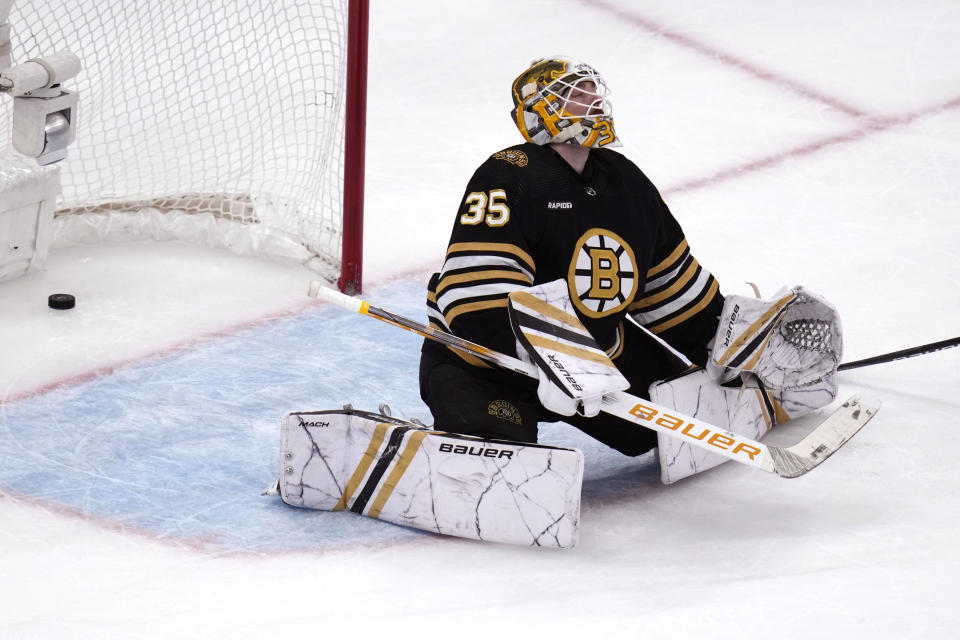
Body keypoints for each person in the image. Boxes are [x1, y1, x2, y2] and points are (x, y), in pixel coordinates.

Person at [418, 56, 840, 463]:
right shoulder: (509, 174)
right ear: (539, 112)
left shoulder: (625, 182)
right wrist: (548, 357)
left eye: (592, 89)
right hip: (487, 364)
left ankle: (760, 390)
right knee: (498, 457)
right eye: (574, 92)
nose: (593, 100)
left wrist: (728, 345)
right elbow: (474, 297)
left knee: (668, 428)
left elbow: (671, 291)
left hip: (598, 366)